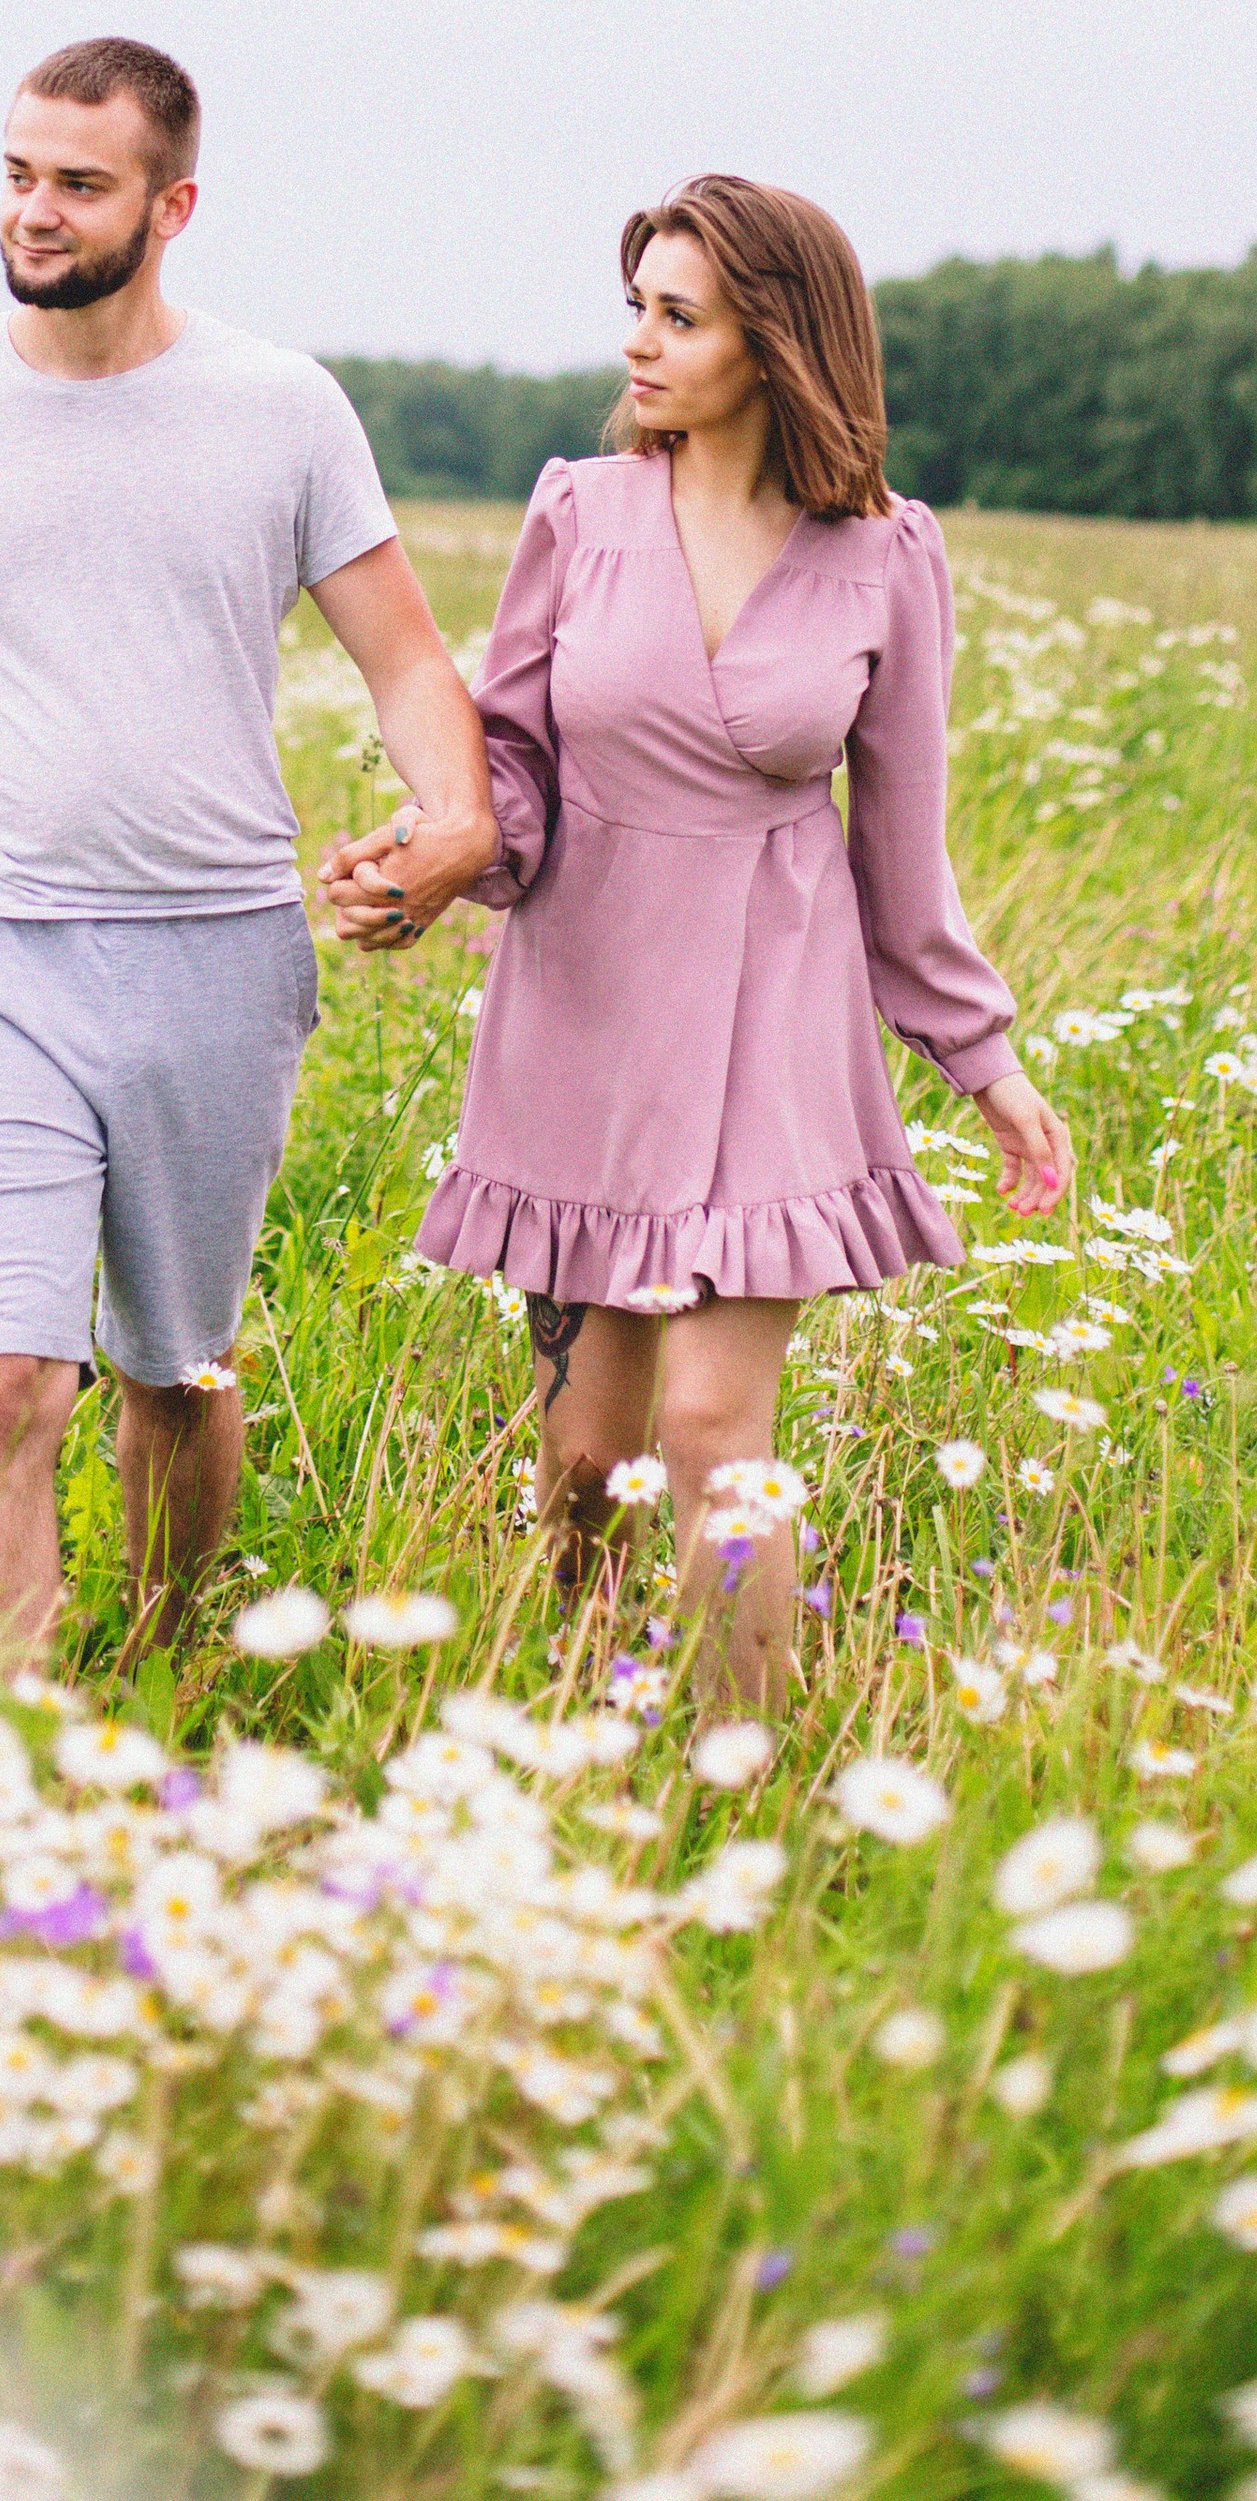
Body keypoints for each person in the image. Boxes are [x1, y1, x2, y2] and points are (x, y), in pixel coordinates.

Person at [0, 36, 497, 1650]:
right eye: (19, 175)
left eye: (78, 184)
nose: (36, 211)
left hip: (217, 958)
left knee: (178, 1372)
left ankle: (163, 1681)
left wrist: (457, 819)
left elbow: (407, 659)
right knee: (6, 1379)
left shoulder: (282, 411)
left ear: (173, 205)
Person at [323, 174, 1070, 1699]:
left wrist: (982, 1064)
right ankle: (594, 1713)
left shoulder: (887, 557)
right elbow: (508, 768)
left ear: (777, 342)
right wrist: (430, 857)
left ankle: (743, 1770)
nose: (641, 349)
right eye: (638, 312)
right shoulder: (578, 513)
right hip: (586, 1012)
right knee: (589, 1462)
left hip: (773, 1030)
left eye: (680, 317)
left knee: (712, 1431)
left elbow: (900, 848)